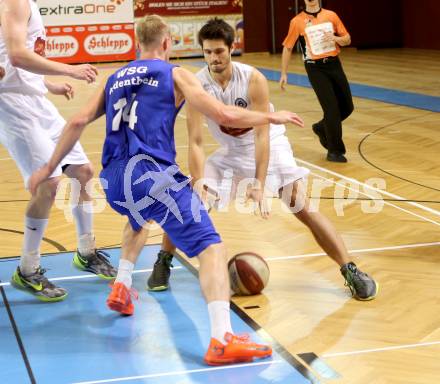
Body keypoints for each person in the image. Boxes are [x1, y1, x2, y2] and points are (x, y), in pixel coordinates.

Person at [28, 14, 303, 365]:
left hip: (114, 178)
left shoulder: (114, 78)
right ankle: (222, 339)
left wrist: (49, 167)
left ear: (135, 41)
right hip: (153, 173)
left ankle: (122, 285)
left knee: (140, 217)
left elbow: (78, 121)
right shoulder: (175, 74)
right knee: (212, 249)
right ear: (168, 42)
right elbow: (224, 114)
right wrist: (270, 117)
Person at [147, 18, 378, 301]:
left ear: (231, 48)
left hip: (271, 146)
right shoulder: (196, 84)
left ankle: (350, 270)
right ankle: (163, 261)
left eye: (219, 51)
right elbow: (195, 141)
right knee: (187, 202)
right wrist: (198, 182)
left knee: (301, 206)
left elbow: (261, 136)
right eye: (207, 52)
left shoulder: (252, 78)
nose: (213, 58)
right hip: (229, 153)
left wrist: (258, 182)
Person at [0, 0, 116, 302]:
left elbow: (15, 59)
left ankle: (86, 251)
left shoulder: (26, 4)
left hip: (34, 98)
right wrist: (72, 70)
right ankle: (27, 270)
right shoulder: (12, 2)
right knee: (48, 183)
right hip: (11, 104)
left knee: (82, 172)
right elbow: (16, 55)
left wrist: (49, 85)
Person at [280, 0, 354, 163]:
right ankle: (335, 151)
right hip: (315, 69)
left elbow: (347, 39)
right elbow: (287, 47)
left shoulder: (331, 15)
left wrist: (334, 38)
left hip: (334, 64)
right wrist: (284, 73)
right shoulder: (297, 21)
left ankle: (321, 127)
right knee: (332, 109)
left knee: (347, 107)